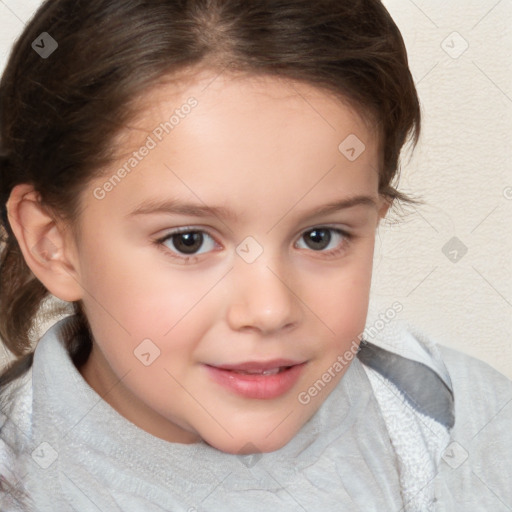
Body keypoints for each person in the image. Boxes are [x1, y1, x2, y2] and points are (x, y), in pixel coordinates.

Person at [0, 0, 510, 510]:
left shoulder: (458, 422)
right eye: (188, 241)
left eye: (320, 236)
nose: (270, 310)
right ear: (54, 244)